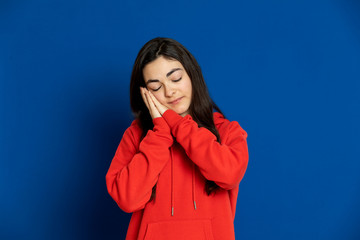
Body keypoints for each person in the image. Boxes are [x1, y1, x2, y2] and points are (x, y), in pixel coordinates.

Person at [105, 37, 249, 240]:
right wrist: (161, 133)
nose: (169, 91)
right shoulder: (136, 135)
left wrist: (177, 124)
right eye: (156, 87)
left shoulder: (227, 131)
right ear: (146, 94)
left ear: (192, 75)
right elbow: (127, 199)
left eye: (175, 79)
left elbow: (229, 174)